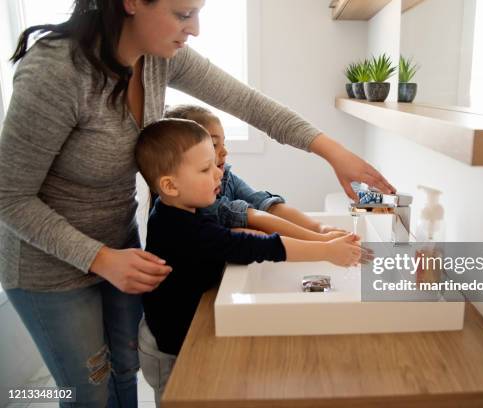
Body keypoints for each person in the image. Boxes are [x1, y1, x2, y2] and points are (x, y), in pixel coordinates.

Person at [0, 0, 395, 406]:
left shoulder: (157, 59)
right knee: (88, 390)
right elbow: (9, 196)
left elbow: (251, 104)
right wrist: (99, 258)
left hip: (120, 246)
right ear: (132, 3)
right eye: (183, 14)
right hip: (48, 264)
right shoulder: (57, 71)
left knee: (124, 370)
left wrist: (333, 152)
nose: (196, 29)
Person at [134, 118, 364, 405]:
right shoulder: (185, 228)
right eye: (206, 169)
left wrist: (321, 241)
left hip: (175, 332)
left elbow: (240, 232)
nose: (219, 174)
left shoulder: (176, 211)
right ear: (170, 185)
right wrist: (326, 252)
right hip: (167, 349)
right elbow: (253, 246)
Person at [164, 104, 348, 239]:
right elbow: (255, 220)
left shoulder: (226, 177)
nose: (225, 151)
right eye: (213, 145)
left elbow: (266, 205)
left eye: (224, 142)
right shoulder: (195, 198)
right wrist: (320, 242)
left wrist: (320, 228)